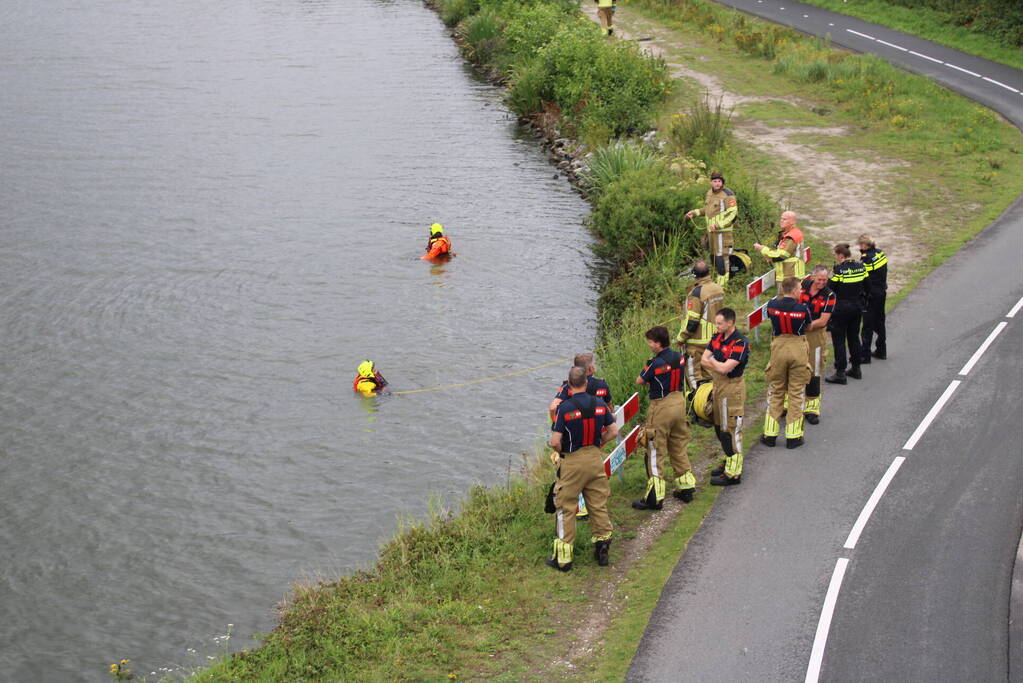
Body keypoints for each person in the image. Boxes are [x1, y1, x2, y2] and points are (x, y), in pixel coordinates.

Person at [548, 367, 617, 571]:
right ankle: (602, 547)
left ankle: (563, 557)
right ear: (586, 383)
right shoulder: (599, 404)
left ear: (569, 385)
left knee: (566, 506)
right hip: (595, 458)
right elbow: (613, 431)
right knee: (597, 503)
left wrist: (562, 451)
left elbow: (554, 441)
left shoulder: (565, 409)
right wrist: (599, 444)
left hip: (572, 461)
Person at [634, 326, 695, 509]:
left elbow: (640, 380)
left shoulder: (655, 362)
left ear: (658, 343)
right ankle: (686, 487)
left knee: (654, 449)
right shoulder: (679, 357)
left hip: (661, 406)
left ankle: (655, 497)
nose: (649, 344)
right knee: (678, 445)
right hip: (679, 402)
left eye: (650, 341)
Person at [548, 353, 613, 520]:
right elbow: (610, 412)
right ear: (590, 369)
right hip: (594, 440)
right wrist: (601, 438)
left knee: (569, 483)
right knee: (594, 485)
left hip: (572, 442)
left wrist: (556, 425)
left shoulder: (566, 389)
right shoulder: (601, 386)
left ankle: (578, 512)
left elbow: (553, 406)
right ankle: (601, 534)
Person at [761, 277, 812, 449]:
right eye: (799, 289)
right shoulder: (803, 308)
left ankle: (769, 435)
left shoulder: (772, 305)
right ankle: (793, 437)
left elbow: (770, 316)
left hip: (778, 347)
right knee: (796, 392)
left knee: (776, 390)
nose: (801, 291)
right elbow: (809, 327)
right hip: (797, 347)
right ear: (795, 290)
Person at [701, 308, 749, 486]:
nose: (717, 326)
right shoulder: (717, 337)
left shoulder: (740, 342)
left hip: (732, 387)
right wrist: (717, 363)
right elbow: (703, 360)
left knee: (731, 429)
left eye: (720, 323)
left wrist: (714, 362)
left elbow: (724, 368)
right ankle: (729, 460)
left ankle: (734, 473)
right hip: (718, 386)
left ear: (730, 323)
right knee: (719, 427)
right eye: (716, 323)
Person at [676, 261, 725, 393]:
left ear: (695, 275)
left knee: (694, 376)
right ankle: (715, 401)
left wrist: (681, 338)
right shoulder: (718, 288)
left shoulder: (696, 293)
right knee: (710, 373)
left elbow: (692, 321)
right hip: (716, 337)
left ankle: (698, 404)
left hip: (697, 342)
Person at [685, 172, 738, 286]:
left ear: (722, 182)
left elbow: (732, 214)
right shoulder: (709, 193)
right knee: (713, 257)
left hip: (722, 233)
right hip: (711, 233)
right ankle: (715, 284)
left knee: (722, 260)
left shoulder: (728, 195)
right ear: (711, 182)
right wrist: (694, 213)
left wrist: (718, 225)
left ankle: (722, 287)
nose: (717, 183)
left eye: (719, 181)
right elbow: (707, 209)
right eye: (715, 181)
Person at [826, 243, 867, 385]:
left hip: (841, 309)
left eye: (836, 256)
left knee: (839, 341)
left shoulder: (839, 270)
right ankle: (856, 369)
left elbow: (830, 288)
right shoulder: (861, 267)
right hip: (857, 307)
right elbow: (867, 286)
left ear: (840, 256)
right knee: (854, 339)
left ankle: (840, 373)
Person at [799, 266, 836, 425]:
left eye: (825, 280)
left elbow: (823, 320)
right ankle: (788, 404)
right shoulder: (802, 286)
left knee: (814, 371)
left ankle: (812, 409)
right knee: (794, 367)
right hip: (797, 334)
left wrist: (806, 326)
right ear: (812, 277)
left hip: (815, 334)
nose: (822, 282)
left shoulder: (830, 295)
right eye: (819, 279)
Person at [858, 234, 888, 361]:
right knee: (880, 322)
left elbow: (863, 277)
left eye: (860, 245)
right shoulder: (880, 253)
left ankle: (865, 354)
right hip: (881, 291)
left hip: (870, 295)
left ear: (865, 245)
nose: (859, 247)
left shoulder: (866, 258)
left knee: (867, 325)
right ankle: (881, 350)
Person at [754, 211, 805, 281]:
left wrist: (762, 248)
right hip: (789, 276)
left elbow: (780, 255)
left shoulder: (791, 236)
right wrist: (772, 258)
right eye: (781, 219)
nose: (781, 221)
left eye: (784, 219)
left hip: (790, 277)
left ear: (792, 222)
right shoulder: (789, 233)